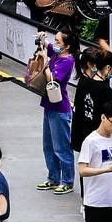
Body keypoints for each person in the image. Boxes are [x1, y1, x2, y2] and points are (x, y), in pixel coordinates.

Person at [39, 30, 77, 192]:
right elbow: (49, 47)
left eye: (58, 41)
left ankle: (67, 181)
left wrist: (44, 64)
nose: (54, 44)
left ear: (67, 46)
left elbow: (53, 79)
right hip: (49, 105)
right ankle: (53, 177)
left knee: (61, 147)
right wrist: (43, 40)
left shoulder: (67, 60)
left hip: (60, 108)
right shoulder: (57, 54)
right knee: (48, 145)